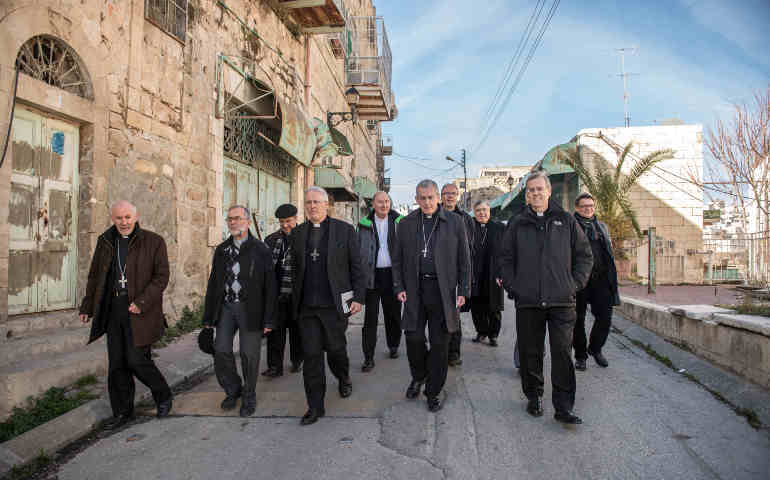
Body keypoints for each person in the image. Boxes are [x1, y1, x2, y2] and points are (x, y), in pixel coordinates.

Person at [499, 171, 593, 425]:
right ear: (526, 195)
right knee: (531, 353)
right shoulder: (518, 224)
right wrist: (516, 287)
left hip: (562, 302)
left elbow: (585, 256)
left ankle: (563, 407)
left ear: (549, 191)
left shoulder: (566, 220)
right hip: (528, 302)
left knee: (562, 353)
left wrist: (573, 285)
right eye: (530, 190)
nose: (535, 193)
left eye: (539, 189)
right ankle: (534, 396)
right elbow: (505, 260)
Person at [79, 200, 173, 430]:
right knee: (117, 364)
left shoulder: (153, 241)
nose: (123, 222)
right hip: (114, 309)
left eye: (127, 217)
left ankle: (163, 395)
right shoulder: (105, 241)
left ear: (136, 216)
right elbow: (95, 276)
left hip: (141, 310)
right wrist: (87, 306)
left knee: (137, 360)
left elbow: (161, 277)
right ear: (113, 218)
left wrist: (142, 302)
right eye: (119, 218)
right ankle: (123, 411)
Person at [393, 180, 471, 412]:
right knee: (414, 338)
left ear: (438, 198)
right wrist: (399, 286)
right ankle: (419, 376)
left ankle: (433, 390)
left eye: (430, 197)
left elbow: (465, 259)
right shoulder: (405, 224)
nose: (427, 202)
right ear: (416, 199)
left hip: (443, 291)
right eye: (422, 198)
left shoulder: (455, 222)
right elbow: (396, 260)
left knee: (440, 344)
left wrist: (464, 290)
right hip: (415, 290)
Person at [291, 186, 366, 425]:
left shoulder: (344, 231)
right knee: (311, 357)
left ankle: (343, 377)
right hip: (307, 308)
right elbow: (293, 270)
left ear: (326, 205)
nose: (312, 206)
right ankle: (315, 407)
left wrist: (359, 298)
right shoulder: (298, 233)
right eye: (308, 202)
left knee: (335, 350)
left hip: (334, 305)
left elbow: (358, 267)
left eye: (316, 202)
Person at [202, 205, 276, 417]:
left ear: (247, 222)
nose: (233, 222)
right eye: (230, 219)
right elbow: (214, 283)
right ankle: (233, 389)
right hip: (226, 307)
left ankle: (250, 395)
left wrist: (269, 319)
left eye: (238, 218)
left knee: (248, 354)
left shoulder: (260, 250)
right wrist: (208, 318)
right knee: (222, 350)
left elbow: (270, 286)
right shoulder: (222, 250)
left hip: (251, 309)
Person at [572, 193, 620, 370]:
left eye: (591, 205)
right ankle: (580, 355)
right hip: (578, 280)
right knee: (577, 320)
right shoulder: (570, 226)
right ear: (577, 208)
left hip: (601, 279)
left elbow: (608, 252)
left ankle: (595, 348)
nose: (588, 209)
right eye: (584, 206)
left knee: (605, 317)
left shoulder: (601, 227)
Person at [358, 191, 404, 372]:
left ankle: (393, 345)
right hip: (371, 277)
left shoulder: (400, 222)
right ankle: (368, 357)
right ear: (373, 205)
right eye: (380, 202)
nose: (384, 205)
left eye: (387, 201)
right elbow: (356, 250)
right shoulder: (363, 225)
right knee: (370, 319)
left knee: (393, 314)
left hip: (392, 276)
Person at [262, 204, 304, 378]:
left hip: (297, 293)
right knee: (274, 333)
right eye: (282, 222)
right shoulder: (270, 240)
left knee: (297, 331)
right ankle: (274, 367)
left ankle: (297, 361)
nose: (285, 225)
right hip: (277, 294)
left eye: (288, 221)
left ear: (295, 219)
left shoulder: (305, 238)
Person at [440, 183, 474, 367]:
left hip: (455, 275)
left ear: (458, 196)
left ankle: (453, 353)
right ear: (441, 196)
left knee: (455, 316)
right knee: (439, 316)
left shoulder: (466, 219)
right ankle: (440, 349)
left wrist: (466, 281)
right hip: (438, 273)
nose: (450, 197)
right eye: (446, 194)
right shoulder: (434, 216)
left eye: (453, 194)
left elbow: (469, 250)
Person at [469, 201, 505, 347]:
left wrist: (502, 273)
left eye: (484, 210)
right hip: (475, 273)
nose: (481, 213)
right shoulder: (470, 227)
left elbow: (506, 252)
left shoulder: (499, 227)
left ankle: (493, 334)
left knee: (494, 307)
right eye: (478, 210)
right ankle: (481, 332)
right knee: (476, 306)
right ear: (474, 212)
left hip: (494, 274)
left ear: (489, 211)